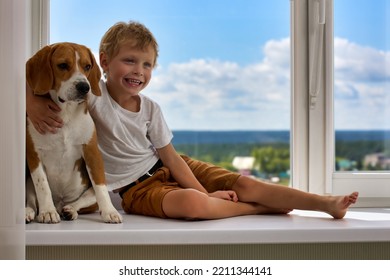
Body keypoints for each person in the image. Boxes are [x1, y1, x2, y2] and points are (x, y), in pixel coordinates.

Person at [26, 21, 358, 220]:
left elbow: (170, 157)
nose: (138, 71)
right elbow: (27, 79)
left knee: (243, 184)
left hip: (171, 165)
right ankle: (257, 210)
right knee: (192, 205)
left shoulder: (151, 108)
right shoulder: (91, 94)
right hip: (133, 190)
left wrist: (206, 190)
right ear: (103, 63)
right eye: (129, 61)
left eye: (147, 65)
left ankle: (324, 203)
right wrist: (31, 103)